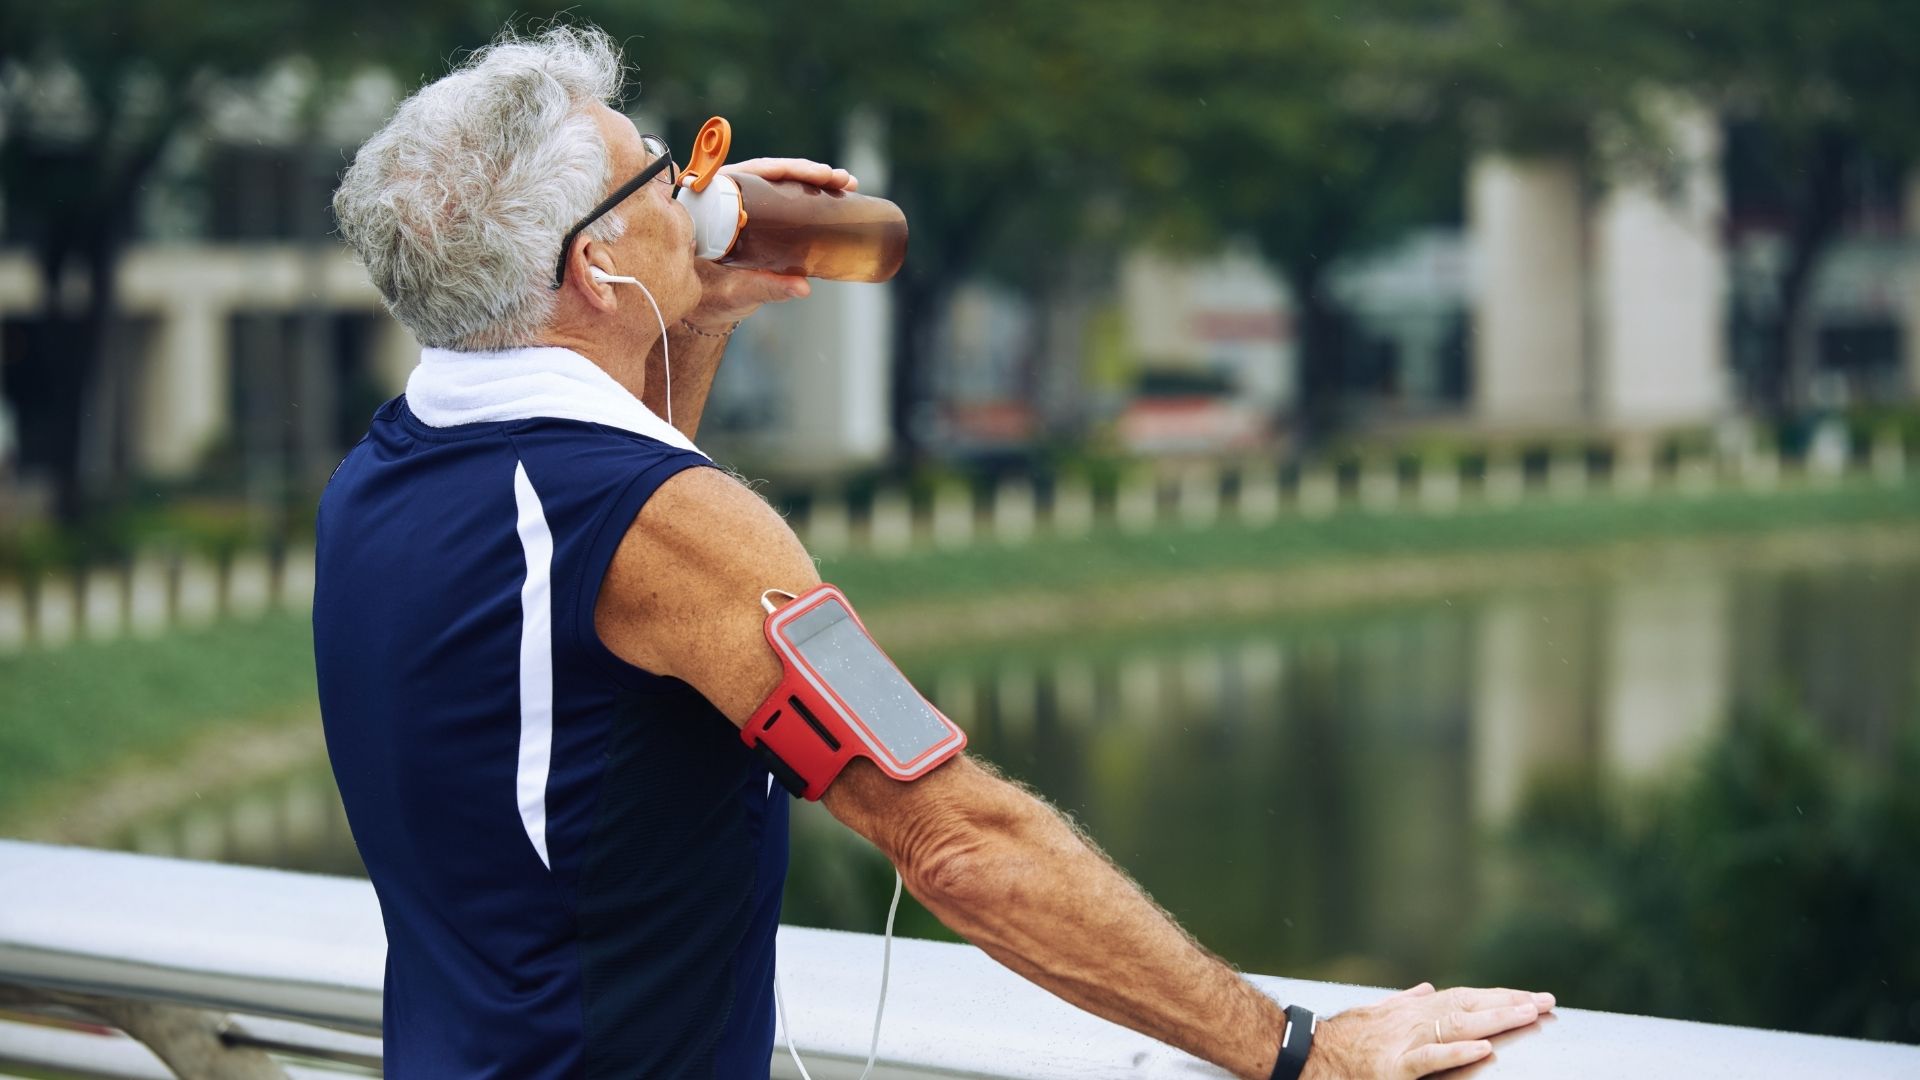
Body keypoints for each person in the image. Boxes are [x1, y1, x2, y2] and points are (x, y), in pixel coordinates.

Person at [317, 23, 1554, 1080]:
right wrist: (1297, 1048)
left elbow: (600, 614)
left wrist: (694, 320)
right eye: (661, 176)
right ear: (593, 262)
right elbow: (957, 839)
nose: (698, 196)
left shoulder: (387, 473)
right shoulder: (661, 522)